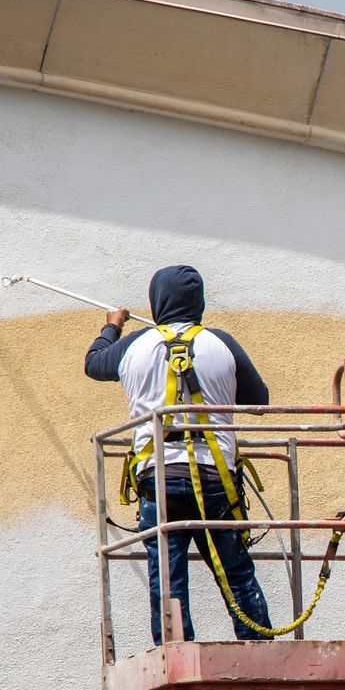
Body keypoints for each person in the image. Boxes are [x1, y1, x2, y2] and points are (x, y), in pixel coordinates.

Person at [84, 265, 275, 645]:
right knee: (234, 568)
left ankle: (174, 649)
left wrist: (112, 326)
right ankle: (258, 644)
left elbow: (94, 363)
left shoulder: (134, 346)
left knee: (167, 573)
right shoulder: (221, 343)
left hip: (160, 479)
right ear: (198, 302)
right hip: (214, 479)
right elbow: (259, 401)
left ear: (157, 301)